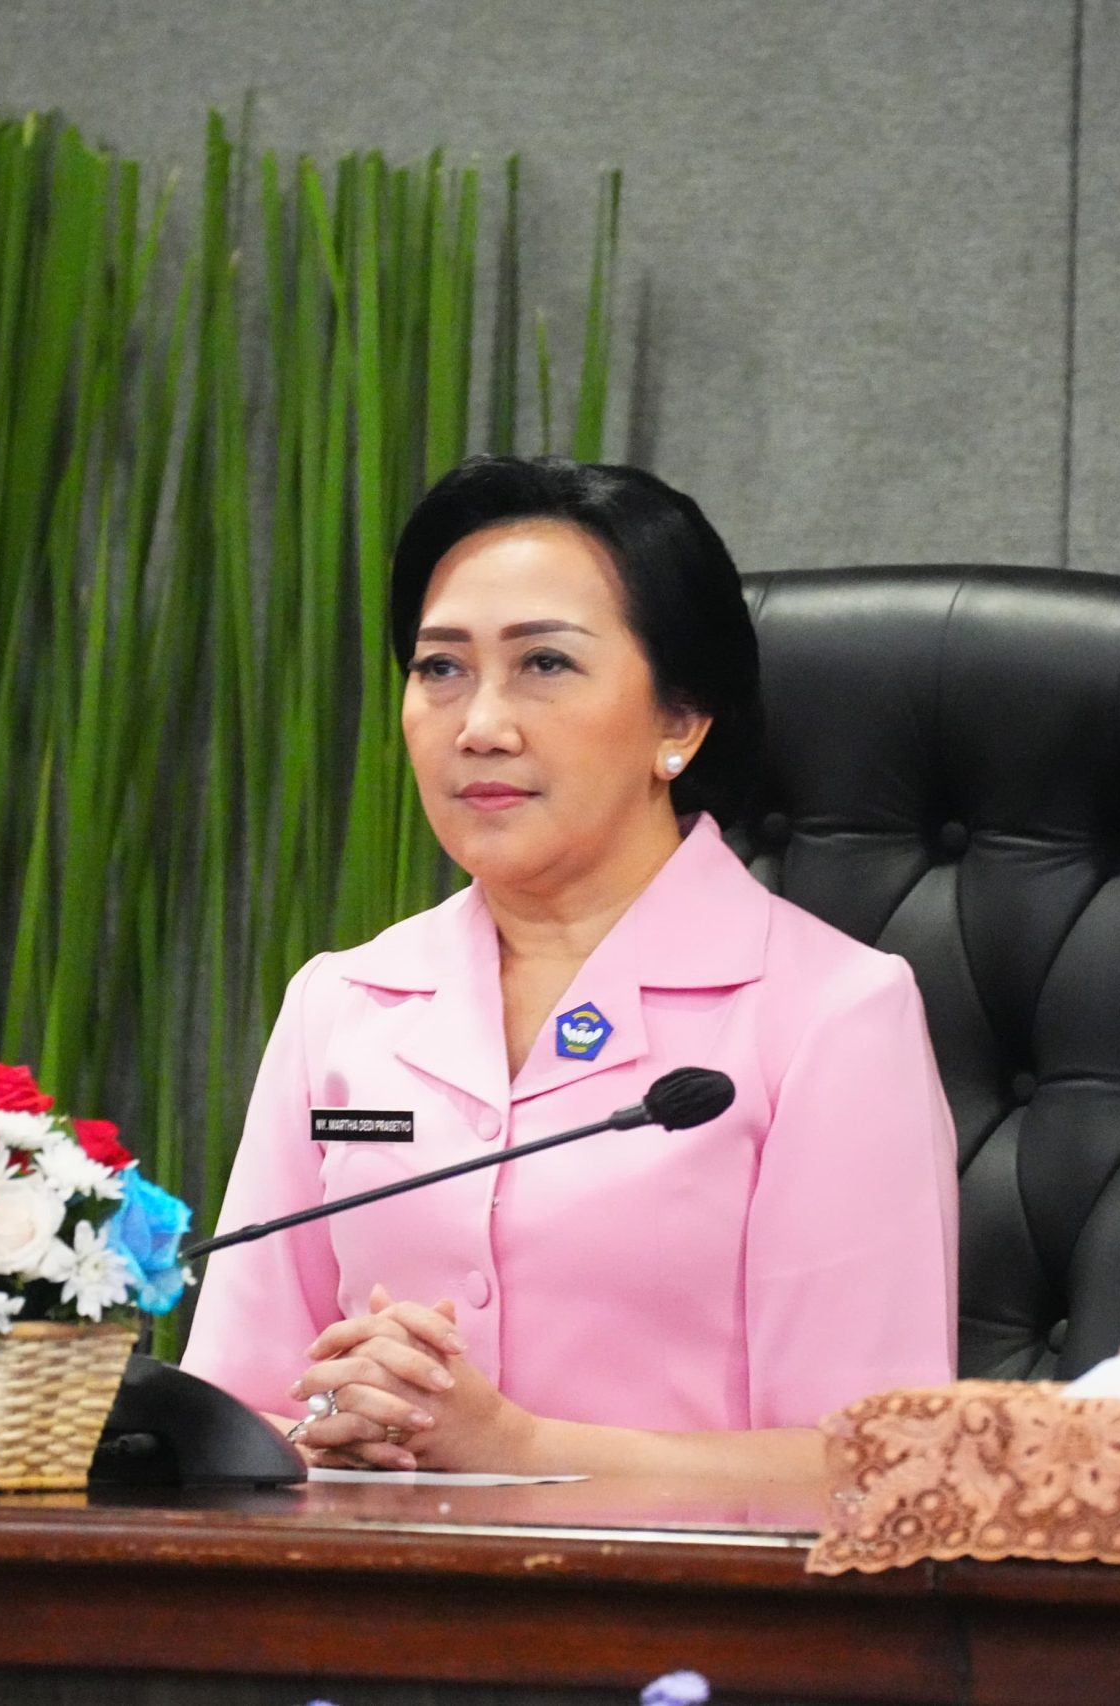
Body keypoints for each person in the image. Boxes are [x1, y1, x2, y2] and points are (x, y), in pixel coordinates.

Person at [180, 456, 958, 1481]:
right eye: (440, 668)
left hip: (677, 1586)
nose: (479, 726)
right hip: (363, 1574)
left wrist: (520, 1450)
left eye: (544, 663)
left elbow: (876, 1468)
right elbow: (229, 1416)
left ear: (680, 719)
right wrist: (325, 1431)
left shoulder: (831, 1015)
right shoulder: (344, 1003)